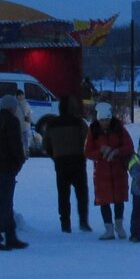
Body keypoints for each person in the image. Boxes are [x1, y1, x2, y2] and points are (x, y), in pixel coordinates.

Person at [0, 95, 28, 251]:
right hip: (5, 168)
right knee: (3, 205)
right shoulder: (11, 121)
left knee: (5, 204)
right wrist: (20, 160)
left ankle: (11, 237)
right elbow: (15, 145)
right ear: (12, 107)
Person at [84, 101, 134, 240]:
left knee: (119, 199)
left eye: (107, 119)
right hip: (101, 170)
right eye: (102, 120)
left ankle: (119, 225)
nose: (104, 122)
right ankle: (109, 228)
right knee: (103, 200)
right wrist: (101, 152)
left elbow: (129, 146)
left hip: (118, 168)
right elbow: (88, 151)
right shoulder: (93, 131)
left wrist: (117, 151)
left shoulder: (120, 128)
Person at [42, 96, 92, 233]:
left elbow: (46, 145)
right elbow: (87, 141)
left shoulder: (52, 124)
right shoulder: (79, 122)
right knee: (82, 193)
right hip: (78, 161)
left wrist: (55, 156)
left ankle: (65, 223)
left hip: (60, 162)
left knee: (63, 195)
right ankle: (83, 221)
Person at [14, 88, 34, 155]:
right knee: (20, 140)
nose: (22, 97)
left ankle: (26, 152)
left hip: (25, 125)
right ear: (17, 96)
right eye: (21, 95)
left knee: (25, 140)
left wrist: (29, 119)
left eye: (22, 95)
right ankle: (21, 152)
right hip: (18, 125)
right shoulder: (15, 104)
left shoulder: (26, 103)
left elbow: (30, 112)